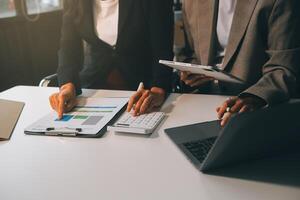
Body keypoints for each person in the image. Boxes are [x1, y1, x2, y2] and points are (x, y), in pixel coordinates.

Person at [180, 0, 300, 126]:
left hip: (256, 110)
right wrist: (191, 72)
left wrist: (254, 97)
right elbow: (190, 53)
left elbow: (283, 66)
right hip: (201, 105)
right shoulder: (191, 2)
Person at [49, 0, 174, 118]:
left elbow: (162, 48)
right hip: (95, 87)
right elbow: (68, 47)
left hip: (143, 89)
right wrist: (67, 86)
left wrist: (158, 89)